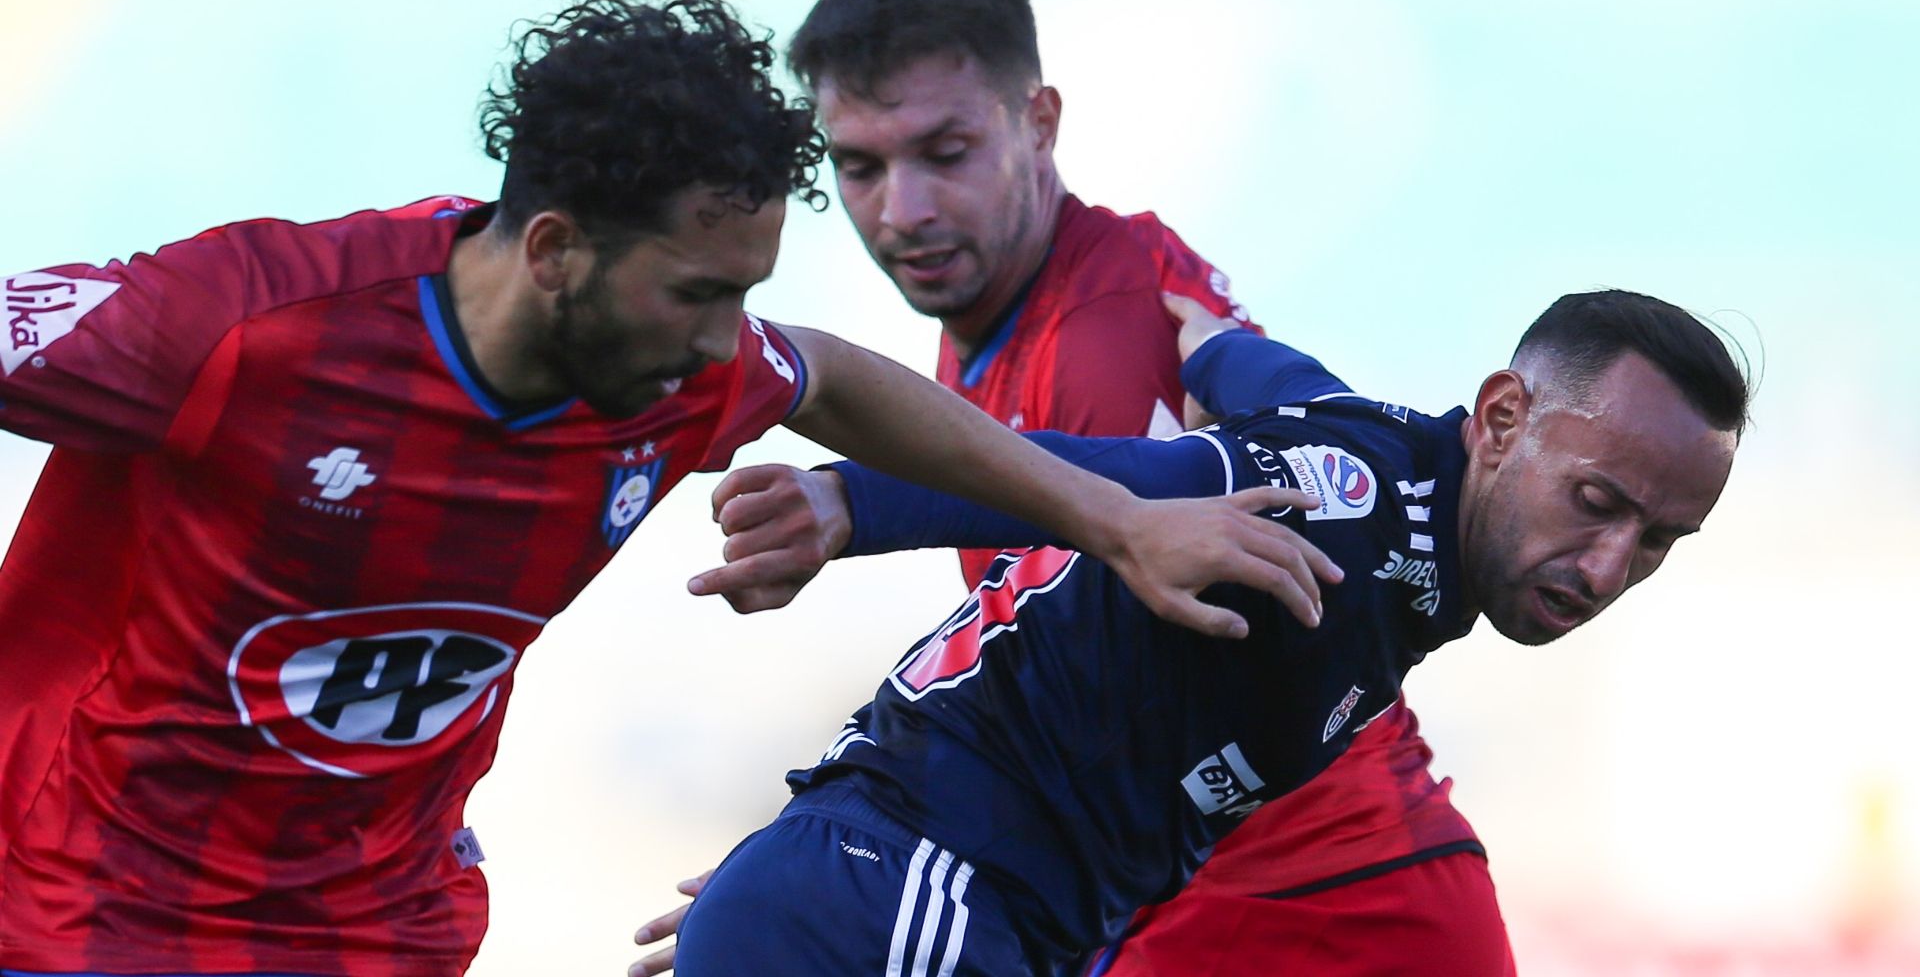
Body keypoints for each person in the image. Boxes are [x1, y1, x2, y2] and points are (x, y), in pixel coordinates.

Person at [0, 0, 1323, 977]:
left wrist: (1117, 521)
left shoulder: (673, 364)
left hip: (378, 930)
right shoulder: (241, 325)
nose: (722, 344)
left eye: (739, 295)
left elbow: (831, 377)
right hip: (85, 911)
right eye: (697, 294)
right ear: (555, 252)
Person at [635, 0, 1507, 976]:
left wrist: (859, 879)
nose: (903, 209)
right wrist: (843, 860)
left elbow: (1098, 723)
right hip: (1209, 890)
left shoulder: (1104, 336)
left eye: (945, 152)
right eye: (861, 167)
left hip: (1316, 905)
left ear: (1039, 123)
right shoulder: (1011, 316)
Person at [664, 287, 1749, 974]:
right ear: (1503, 419)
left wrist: (1214, 346)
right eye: (1596, 503)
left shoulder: (1409, 499)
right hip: (912, 894)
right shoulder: (1350, 503)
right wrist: (850, 504)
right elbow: (1127, 482)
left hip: (915, 898)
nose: (1608, 567)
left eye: (1659, 540)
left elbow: (1287, 384)